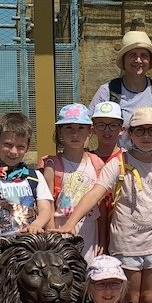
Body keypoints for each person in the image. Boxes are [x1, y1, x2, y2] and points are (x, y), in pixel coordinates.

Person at [59, 106, 152, 303]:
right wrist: (71, 222)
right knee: (130, 299)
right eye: (140, 130)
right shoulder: (118, 163)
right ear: (130, 133)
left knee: (150, 298)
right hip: (126, 243)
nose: (146, 136)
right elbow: (95, 193)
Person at [89, 30, 152, 147]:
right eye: (132, 55)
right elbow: (87, 126)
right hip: (118, 157)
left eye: (144, 55)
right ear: (124, 59)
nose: (138, 60)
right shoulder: (108, 91)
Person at [40, 103, 104, 263]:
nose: (75, 134)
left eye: (81, 128)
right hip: (59, 229)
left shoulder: (97, 163)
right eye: (69, 128)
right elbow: (48, 203)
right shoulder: (52, 165)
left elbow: (102, 204)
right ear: (60, 131)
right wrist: (51, 237)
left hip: (90, 229)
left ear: (90, 131)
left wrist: (103, 239)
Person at [0, 112, 53, 252]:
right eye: (8, 145)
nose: (13, 151)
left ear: (27, 147)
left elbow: (46, 209)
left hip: (30, 251)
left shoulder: (35, 177)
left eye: (20, 146)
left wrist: (37, 224)